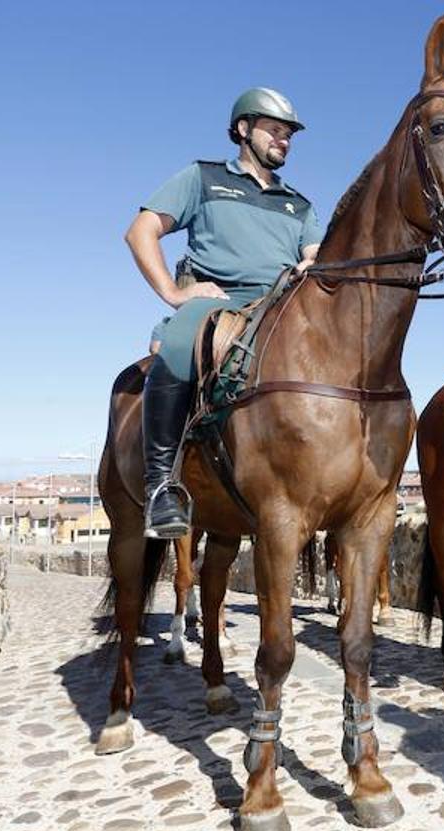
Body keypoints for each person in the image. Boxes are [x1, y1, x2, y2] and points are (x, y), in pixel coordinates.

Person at [126, 87, 322, 539]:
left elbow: (315, 252)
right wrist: (175, 294)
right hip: (218, 301)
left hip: (281, 304)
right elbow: (141, 231)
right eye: (274, 130)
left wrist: (314, 261)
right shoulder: (204, 177)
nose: (284, 140)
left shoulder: (299, 203)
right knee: (177, 344)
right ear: (242, 129)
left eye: (289, 134)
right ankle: (161, 487)